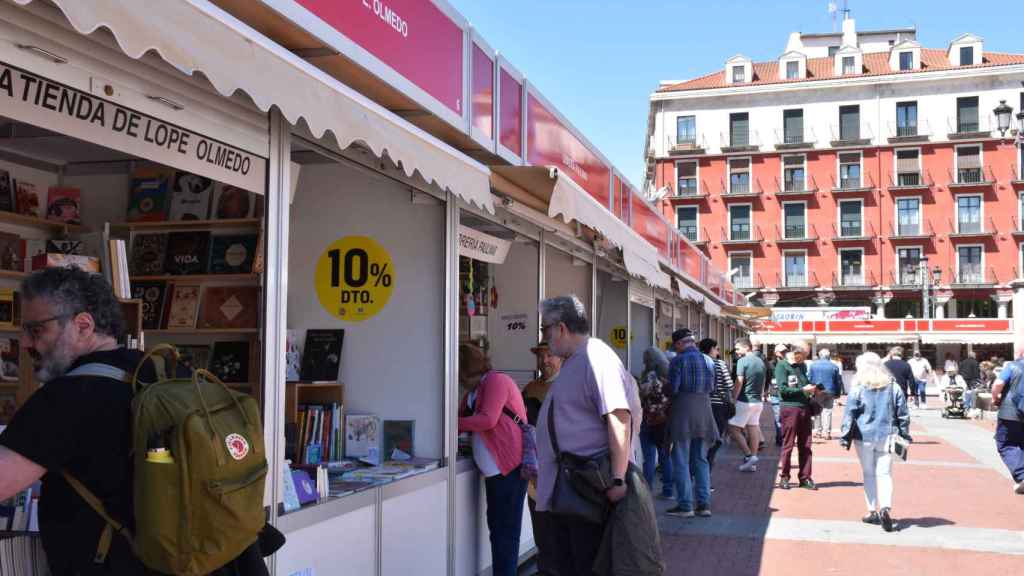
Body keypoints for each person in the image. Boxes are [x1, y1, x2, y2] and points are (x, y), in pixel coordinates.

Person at [0, 268, 273, 575]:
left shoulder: (67, 397)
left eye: (35, 330)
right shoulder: (167, 372)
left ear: (83, 325)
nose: (24, 343)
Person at [535, 296, 659, 576]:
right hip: (572, 487)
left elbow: (619, 418)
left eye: (545, 329)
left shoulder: (596, 358)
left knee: (586, 565)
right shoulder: (578, 360)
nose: (545, 337)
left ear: (561, 328)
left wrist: (617, 478)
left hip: (586, 488)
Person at [458, 343, 529, 576]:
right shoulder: (475, 391)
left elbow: (488, 419)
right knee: (499, 532)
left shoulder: (496, 382)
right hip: (497, 474)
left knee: (505, 536)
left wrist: (453, 424)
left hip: (508, 469)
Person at [840, 352, 911, 533]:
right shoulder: (893, 386)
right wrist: (904, 433)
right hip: (887, 434)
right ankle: (885, 507)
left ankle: (871, 510)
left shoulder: (858, 387)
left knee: (868, 473)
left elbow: (850, 413)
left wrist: (844, 436)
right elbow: (903, 413)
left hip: (863, 435)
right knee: (885, 473)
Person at [666, 329, 719, 518]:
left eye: (676, 345)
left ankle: (685, 505)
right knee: (701, 459)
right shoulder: (708, 360)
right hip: (705, 410)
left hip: (683, 411)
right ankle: (704, 504)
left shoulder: (678, 361)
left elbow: (673, 388)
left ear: (680, 343)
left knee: (680, 459)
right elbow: (712, 387)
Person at [521, 341, 561, 576]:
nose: (544, 361)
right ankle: (547, 567)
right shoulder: (530, 387)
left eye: (550, 356)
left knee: (556, 526)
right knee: (540, 522)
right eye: (541, 356)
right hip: (535, 470)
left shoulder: (567, 387)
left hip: (558, 468)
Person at [775, 342, 817, 490]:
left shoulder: (802, 366)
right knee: (788, 444)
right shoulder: (782, 366)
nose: (805, 358)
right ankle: (784, 477)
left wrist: (812, 388)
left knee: (806, 444)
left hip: (804, 408)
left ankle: (805, 477)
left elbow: (803, 382)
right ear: (795, 352)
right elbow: (783, 389)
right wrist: (803, 390)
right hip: (790, 408)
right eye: (804, 355)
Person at [638, 347, 674, 500]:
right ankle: (668, 490)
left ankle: (647, 489)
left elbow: (642, 394)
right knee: (666, 456)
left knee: (649, 456)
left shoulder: (650, 376)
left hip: (649, 419)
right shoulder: (669, 375)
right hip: (664, 419)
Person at [699, 338, 734, 478]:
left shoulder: (698, 362)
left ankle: (697, 473)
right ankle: (706, 476)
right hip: (718, 407)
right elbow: (730, 385)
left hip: (701, 406)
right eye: (717, 348)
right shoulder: (719, 364)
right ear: (711, 349)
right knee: (715, 441)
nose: (718, 351)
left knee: (700, 442)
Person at [729, 338, 765, 472]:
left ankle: (749, 455)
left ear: (747, 348)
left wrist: (733, 398)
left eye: (738, 348)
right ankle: (752, 459)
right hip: (757, 401)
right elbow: (763, 382)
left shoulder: (742, 361)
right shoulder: (760, 361)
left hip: (745, 400)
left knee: (733, 428)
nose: (736, 351)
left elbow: (738, 382)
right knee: (753, 427)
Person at [992, 356, 1024, 495]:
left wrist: (995, 397)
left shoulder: (1012, 366)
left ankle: (1022, 475)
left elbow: (998, 384)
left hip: (1010, 411)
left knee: (1005, 443)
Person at [809, 349, 843, 440]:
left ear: (820, 355)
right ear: (828, 356)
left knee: (817, 411)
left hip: (818, 390)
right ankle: (827, 432)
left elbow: (810, 379)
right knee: (828, 412)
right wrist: (838, 393)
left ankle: (818, 431)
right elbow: (838, 381)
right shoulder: (834, 366)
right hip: (830, 391)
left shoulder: (813, 365)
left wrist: (811, 391)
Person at [767, 344, 788, 447]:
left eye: (785, 351)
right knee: (777, 417)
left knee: (786, 417)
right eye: (782, 352)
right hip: (775, 393)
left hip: (786, 393)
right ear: (776, 353)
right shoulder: (771, 364)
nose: (784, 354)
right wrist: (766, 391)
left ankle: (785, 437)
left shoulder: (788, 363)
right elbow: (767, 378)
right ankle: (780, 438)